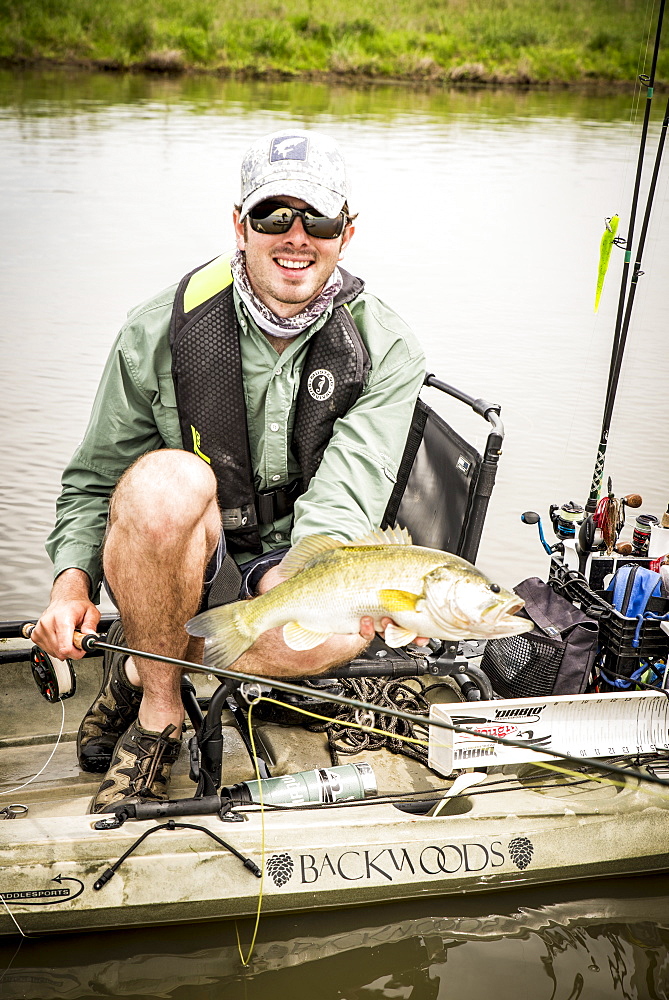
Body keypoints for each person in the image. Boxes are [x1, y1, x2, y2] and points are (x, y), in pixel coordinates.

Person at [32, 128, 426, 813]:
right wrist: (71, 590)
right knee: (163, 484)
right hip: (184, 548)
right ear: (239, 225)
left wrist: (292, 585)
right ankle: (158, 713)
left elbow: (345, 495)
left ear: (347, 232)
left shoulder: (390, 348)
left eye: (319, 218)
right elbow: (94, 479)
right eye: (274, 215)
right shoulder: (156, 327)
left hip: (286, 562)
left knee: (328, 634)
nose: (296, 236)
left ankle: (137, 663)